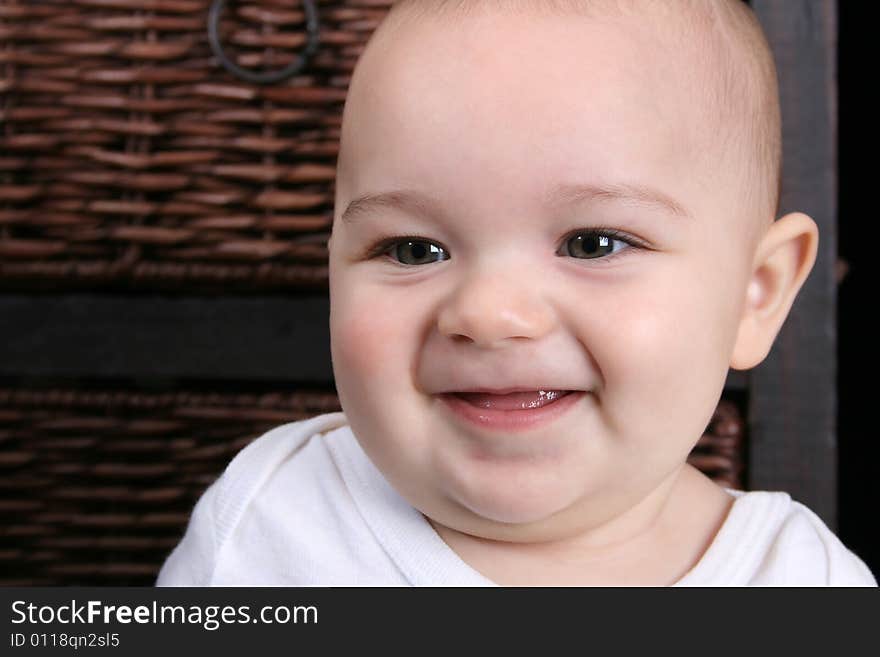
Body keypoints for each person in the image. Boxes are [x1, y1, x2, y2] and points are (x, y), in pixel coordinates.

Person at [156, 0, 876, 586]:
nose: (488, 314)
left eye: (593, 243)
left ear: (756, 293)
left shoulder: (799, 580)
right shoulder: (273, 521)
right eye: (414, 250)